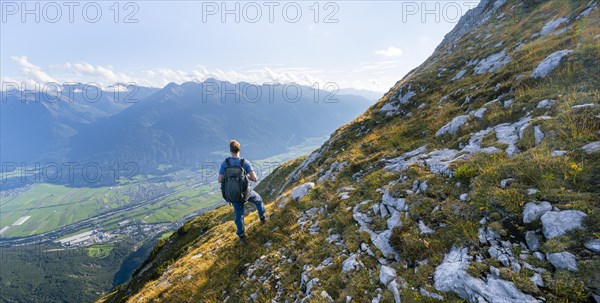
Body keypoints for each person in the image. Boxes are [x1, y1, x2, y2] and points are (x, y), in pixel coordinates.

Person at [218, 140, 266, 243]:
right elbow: (254, 178)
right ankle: (263, 218)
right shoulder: (244, 163)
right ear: (239, 149)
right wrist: (247, 176)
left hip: (233, 194)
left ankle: (242, 236)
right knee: (258, 200)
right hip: (245, 192)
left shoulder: (225, 163)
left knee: (239, 215)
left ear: (230, 150)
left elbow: (219, 180)